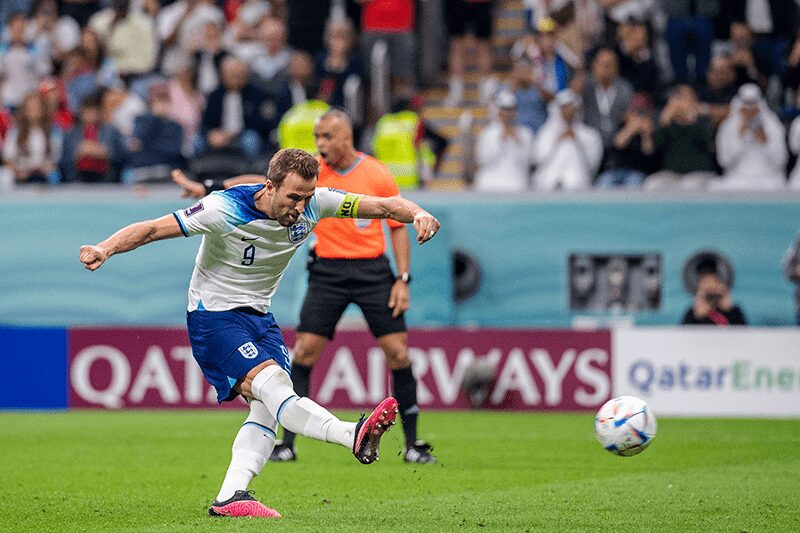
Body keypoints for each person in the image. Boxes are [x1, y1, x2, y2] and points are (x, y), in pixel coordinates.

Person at [80, 148, 441, 518]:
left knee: (266, 408)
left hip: (260, 319)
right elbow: (153, 229)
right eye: (293, 198)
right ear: (269, 187)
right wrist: (105, 247)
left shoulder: (316, 203)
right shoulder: (224, 209)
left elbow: (382, 206)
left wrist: (418, 213)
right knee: (277, 390)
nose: (301, 208)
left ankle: (231, 495)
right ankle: (352, 435)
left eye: (307, 197)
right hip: (215, 318)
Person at [681, 269, 747, 326]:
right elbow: (682, 335)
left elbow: (744, 333)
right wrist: (697, 316)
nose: (711, 285)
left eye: (715, 281)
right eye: (705, 282)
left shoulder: (735, 311)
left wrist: (730, 311)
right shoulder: (692, 313)